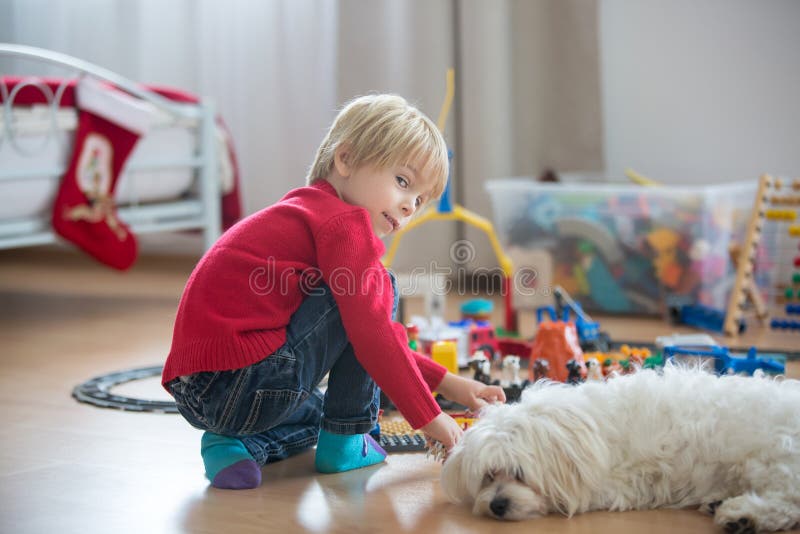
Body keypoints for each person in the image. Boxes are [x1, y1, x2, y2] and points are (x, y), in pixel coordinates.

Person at [162, 94, 506, 490]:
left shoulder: (304, 212)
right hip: (247, 382)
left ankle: (231, 443)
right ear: (345, 160)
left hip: (199, 392)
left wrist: (452, 384)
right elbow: (372, 335)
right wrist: (430, 417)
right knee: (381, 285)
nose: (410, 206)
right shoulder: (344, 225)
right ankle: (345, 443)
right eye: (402, 181)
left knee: (318, 411)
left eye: (419, 199)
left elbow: (365, 334)